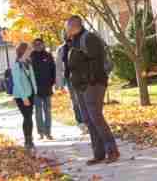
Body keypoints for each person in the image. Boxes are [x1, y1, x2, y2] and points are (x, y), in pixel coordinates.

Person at [64, 15, 120, 164]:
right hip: (80, 86)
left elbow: (96, 62)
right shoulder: (73, 41)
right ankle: (99, 154)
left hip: (92, 84)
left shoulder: (89, 38)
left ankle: (112, 150)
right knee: (88, 120)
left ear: (74, 26)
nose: (65, 30)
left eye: (66, 27)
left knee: (96, 117)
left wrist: (90, 81)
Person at [8, 42, 41, 150]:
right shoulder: (16, 65)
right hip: (21, 96)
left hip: (30, 93)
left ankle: (30, 140)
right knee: (27, 117)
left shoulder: (28, 63)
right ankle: (27, 141)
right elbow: (17, 82)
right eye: (29, 49)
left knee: (29, 116)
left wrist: (35, 92)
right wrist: (24, 97)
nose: (31, 50)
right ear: (24, 50)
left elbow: (33, 79)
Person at [57, 38, 89, 134]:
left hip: (83, 77)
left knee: (85, 100)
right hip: (70, 79)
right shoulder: (62, 49)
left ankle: (88, 122)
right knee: (75, 101)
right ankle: (81, 123)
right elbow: (58, 66)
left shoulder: (81, 44)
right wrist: (60, 83)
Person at [29, 37, 58, 139]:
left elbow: (53, 70)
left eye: (39, 44)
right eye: (35, 44)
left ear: (43, 44)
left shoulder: (48, 56)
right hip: (36, 89)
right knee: (38, 111)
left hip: (47, 88)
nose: (38, 46)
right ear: (33, 46)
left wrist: (53, 82)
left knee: (48, 111)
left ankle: (48, 132)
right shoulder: (31, 57)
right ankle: (40, 132)